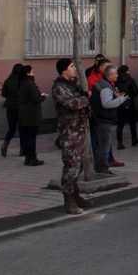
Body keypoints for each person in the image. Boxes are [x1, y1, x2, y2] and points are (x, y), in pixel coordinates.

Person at [51, 58, 91, 215]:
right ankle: (69, 200)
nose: (74, 69)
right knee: (71, 166)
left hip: (79, 128)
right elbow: (73, 104)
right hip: (69, 131)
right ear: (63, 71)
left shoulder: (72, 84)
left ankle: (75, 195)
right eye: (71, 66)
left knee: (78, 165)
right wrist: (86, 99)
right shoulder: (59, 87)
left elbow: (81, 97)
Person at [90, 64, 127, 175]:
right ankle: (102, 168)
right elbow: (106, 104)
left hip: (98, 117)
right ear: (110, 75)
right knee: (104, 145)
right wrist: (121, 99)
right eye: (115, 74)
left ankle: (99, 166)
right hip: (103, 119)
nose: (117, 76)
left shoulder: (101, 83)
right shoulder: (106, 86)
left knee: (102, 144)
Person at [17, 64, 45, 166]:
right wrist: (42, 97)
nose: (34, 73)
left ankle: (28, 157)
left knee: (27, 136)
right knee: (31, 137)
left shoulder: (21, 83)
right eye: (32, 71)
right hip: (31, 114)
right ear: (28, 73)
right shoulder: (30, 83)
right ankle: (32, 158)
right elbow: (35, 98)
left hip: (24, 113)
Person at [115, 65, 138, 149]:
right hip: (129, 103)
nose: (129, 72)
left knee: (120, 124)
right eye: (128, 70)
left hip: (119, 103)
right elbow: (136, 90)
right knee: (132, 123)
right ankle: (134, 139)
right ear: (126, 71)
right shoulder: (130, 79)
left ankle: (119, 142)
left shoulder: (116, 79)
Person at [0, 63, 22, 157]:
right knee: (22, 129)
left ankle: (5, 144)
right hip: (21, 107)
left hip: (10, 106)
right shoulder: (23, 81)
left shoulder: (8, 80)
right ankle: (22, 149)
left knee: (11, 129)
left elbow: (4, 93)